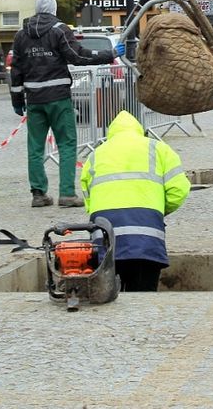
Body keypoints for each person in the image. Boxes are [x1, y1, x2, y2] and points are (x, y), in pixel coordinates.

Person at [10, 0, 114, 208]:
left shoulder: (21, 34)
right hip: (58, 96)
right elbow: (78, 56)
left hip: (34, 98)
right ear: (54, 8)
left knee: (35, 147)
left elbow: (17, 70)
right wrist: (108, 54)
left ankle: (38, 194)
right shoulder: (59, 29)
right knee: (66, 144)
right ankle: (66, 194)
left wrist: (17, 98)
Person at [80, 110, 191, 291]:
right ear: (140, 130)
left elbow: (88, 198)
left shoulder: (96, 155)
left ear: (111, 133)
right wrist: (156, 210)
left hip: (106, 237)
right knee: (143, 295)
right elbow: (178, 190)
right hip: (146, 237)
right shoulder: (158, 149)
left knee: (107, 299)